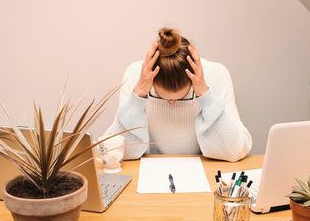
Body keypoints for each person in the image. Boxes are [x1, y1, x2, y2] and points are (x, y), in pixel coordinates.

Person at [104, 27, 252, 162]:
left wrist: (205, 96)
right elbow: (116, 153)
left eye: (182, 98)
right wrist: (138, 96)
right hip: (148, 173)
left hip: (203, 174)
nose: (172, 104)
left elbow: (236, 150)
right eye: (162, 97)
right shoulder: (136, 75)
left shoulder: (217, 74)